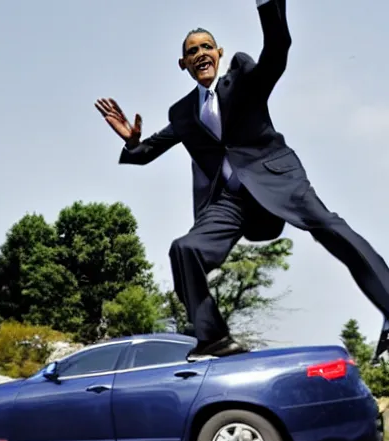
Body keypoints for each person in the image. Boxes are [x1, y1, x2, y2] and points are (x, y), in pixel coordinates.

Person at [95, 0, 389, 361]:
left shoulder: (244, 79)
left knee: (328, 226)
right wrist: (131, 141)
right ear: (183, 63)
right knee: (184, 249)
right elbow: (147, 152)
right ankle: (214, 339)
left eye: (206, 47)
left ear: (218, 53)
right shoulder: (183, 113)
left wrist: (266, 4)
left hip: (276, 178)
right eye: (192, 51)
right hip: (229, 203)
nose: (200, 53)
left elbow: (278, 48)